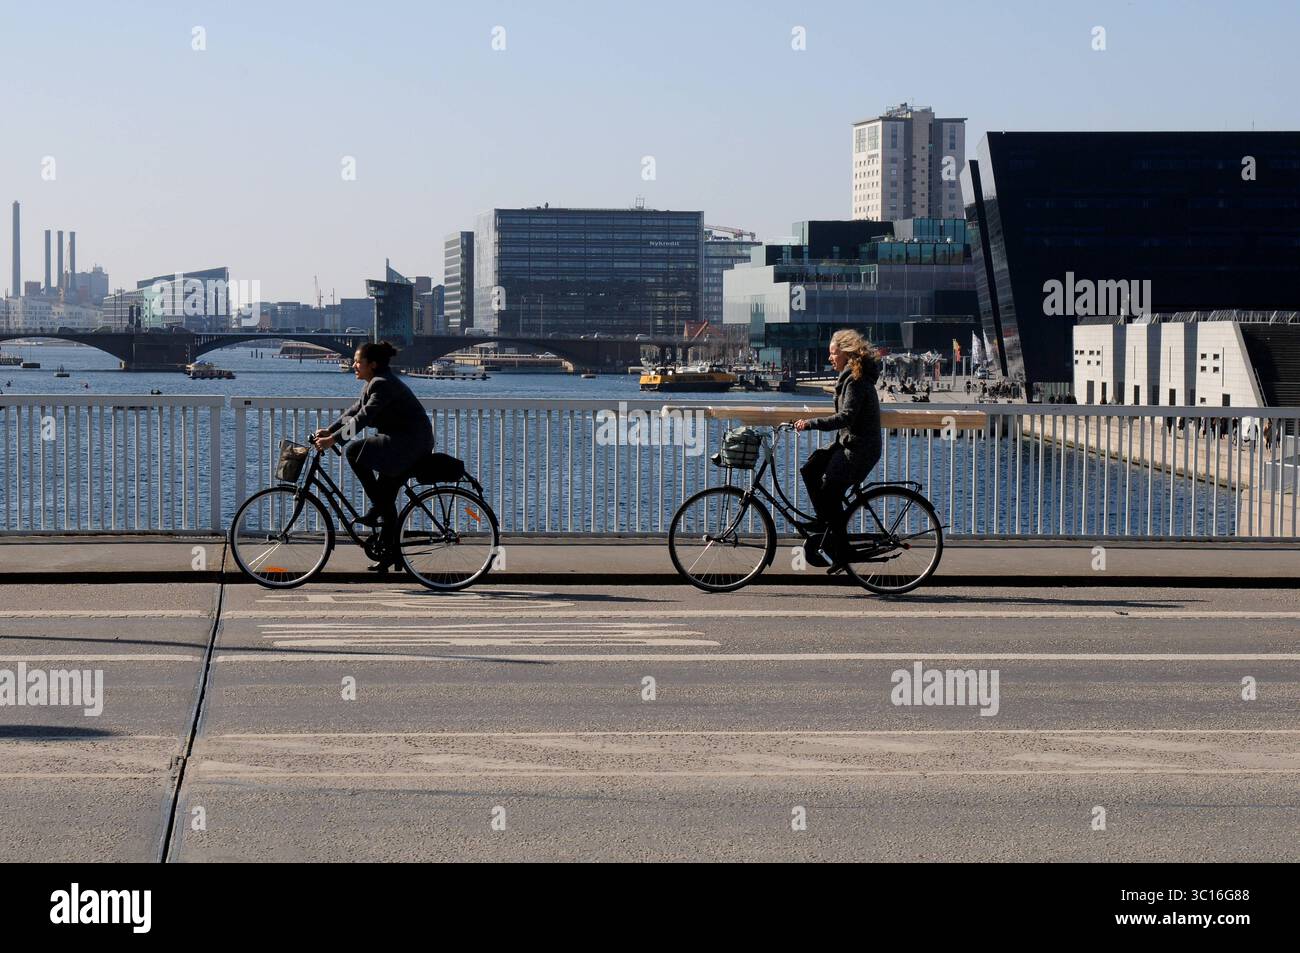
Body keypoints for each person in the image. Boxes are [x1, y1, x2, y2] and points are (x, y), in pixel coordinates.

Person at [312, 341, 434, 572]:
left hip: (408, 443)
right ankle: (390, 552)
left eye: (359, 361)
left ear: (373, 365)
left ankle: (376, 510)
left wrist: (335, 441)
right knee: (386, 497)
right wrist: (330, 430)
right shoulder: (375, 382)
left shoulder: (382, 384)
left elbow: (363, 418)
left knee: (353, 451)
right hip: (406, 442)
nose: (354, 365)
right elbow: (354, 411)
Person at [793, 329, 883, 568]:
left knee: (831, 491)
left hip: (860, 449)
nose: (830, 358)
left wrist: (810, 424)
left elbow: (846, 417)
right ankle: (826, 523)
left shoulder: (856, 379)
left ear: (846, 353)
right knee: (811, 468)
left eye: (833, 353)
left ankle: (843, 550)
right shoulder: (849, 376)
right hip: (848, 444)